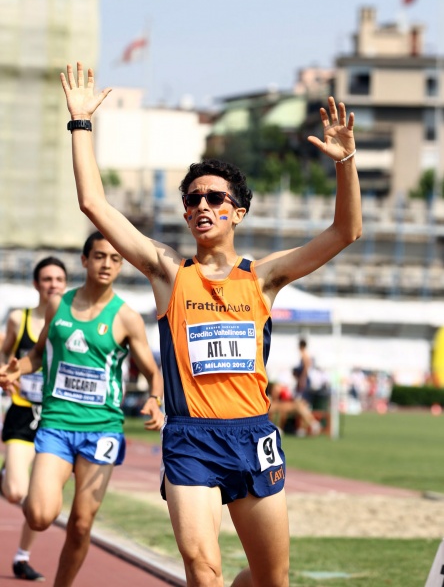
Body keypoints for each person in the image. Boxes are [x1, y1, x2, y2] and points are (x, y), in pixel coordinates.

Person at [57, 62, 361, 587]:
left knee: (270, 580)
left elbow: (345, 231)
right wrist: (81, 123)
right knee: (203, 569)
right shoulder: (168, 273)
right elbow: (94, 204)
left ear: (237, 212)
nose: (202, 205)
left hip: (253, 435)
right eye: (192, 199)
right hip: (190, 439)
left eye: (215, 198)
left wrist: (346, 162)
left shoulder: (263, 277)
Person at [0, 231, 163, 587]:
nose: (107, 264)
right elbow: (37, 355)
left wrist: (154, 399)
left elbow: (153, 372)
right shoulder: (58, 305)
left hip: (102, 430)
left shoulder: (127, 317)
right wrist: (16, 369)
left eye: (115, 259)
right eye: (100, 256)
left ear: (121, 265)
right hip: (56, 424)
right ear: (85, 260)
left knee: (81, 524)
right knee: (39, 515)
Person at [1, 256, 67, 582]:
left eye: (59, 279)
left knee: (40, 497)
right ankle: (6, 474)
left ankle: (22, 556)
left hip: (56, 417)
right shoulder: (20, 318)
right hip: (22, 411)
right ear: (36, 284)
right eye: (47, 279)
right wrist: (6, 373)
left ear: (66, 283)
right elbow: (5, 352)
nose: (53, 285)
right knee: (16, 492)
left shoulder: (71, 321)